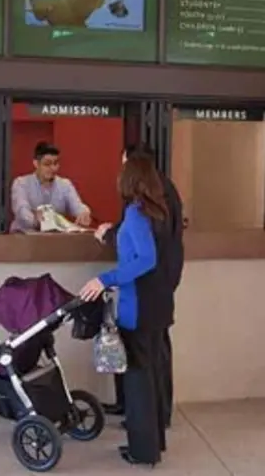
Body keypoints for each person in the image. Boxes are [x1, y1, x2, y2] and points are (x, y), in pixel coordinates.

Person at [79, 154, 173, 466]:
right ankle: (154, 442)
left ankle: (142, 450)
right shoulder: (159, 211)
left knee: (137, 382)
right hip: (159, 303)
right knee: (152, 376)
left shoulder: (135, 213)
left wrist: (105, 279)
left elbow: (145, 259)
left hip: (140, 306)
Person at [97, 145, 184, 428]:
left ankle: (148, 418)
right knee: (153, 355)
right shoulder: (161, 194)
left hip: (146, 291)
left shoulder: (142, 204)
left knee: (145, 360)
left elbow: (143, 252)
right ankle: (150, 415)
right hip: (161, 287)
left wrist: (109, 239)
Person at [10, 141, 92, 233]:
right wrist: (35, 220)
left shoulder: (65, 184)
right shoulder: (21, 183)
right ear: (36, 164)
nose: (53, 168)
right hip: (24, 237)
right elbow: (21, 211)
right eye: (47, 164)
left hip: (54, 238)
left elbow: (77, 206)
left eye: (56, 163)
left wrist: (84, 212)